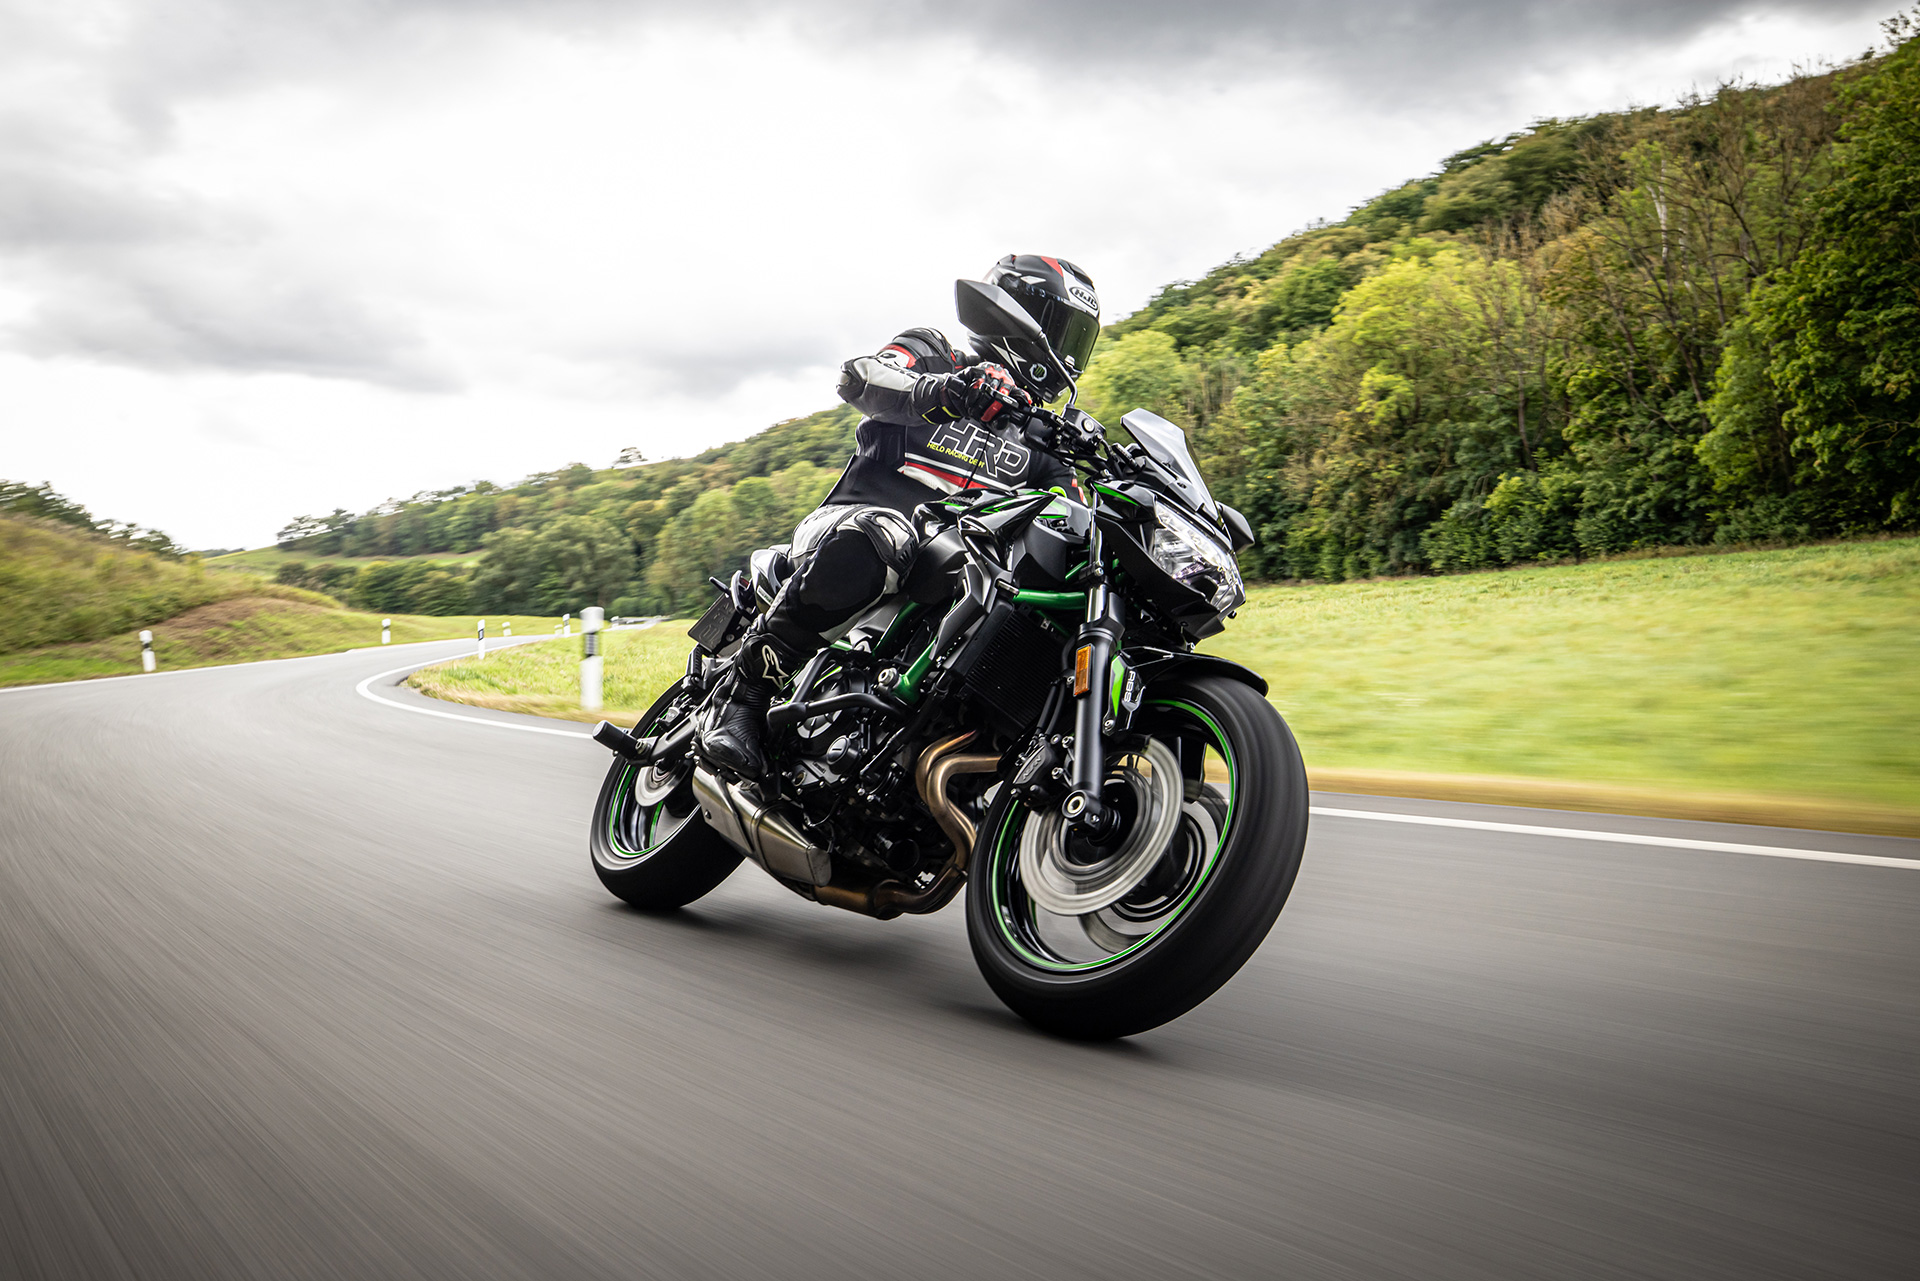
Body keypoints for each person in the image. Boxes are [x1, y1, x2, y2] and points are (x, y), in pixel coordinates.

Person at [698, 254, 1103, 779]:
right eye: (1060, 331)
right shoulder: (935, 354)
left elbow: (1076, 520)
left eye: (1078, 340)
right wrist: (949, 391)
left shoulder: (1046, 446)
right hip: (853, 524)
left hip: (952, 581)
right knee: (887, 536)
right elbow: (862, 378)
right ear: (1014, 315)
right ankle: (743, 697)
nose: (1066, 354)